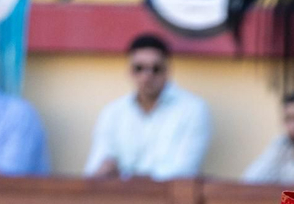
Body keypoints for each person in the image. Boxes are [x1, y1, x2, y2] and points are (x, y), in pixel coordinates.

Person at [85, 33, 211, 181]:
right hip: (119, 199)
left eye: (155, 69)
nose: (147, 76)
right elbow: (96, 168)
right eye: (139, 68)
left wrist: (127, 178)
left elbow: (184, 170)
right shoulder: (113, 112)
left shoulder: (193, 110)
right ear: (130, 71)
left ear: (167, 71)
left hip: (170, 200)